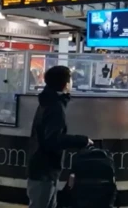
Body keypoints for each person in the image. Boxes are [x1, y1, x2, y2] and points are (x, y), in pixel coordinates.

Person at [27, 66, 92, 208]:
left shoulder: (48, 102)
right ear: (66, 84)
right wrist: (82, 140)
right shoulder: (55, 106)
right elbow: (53, 139)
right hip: (44, 169)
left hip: (43, 167)